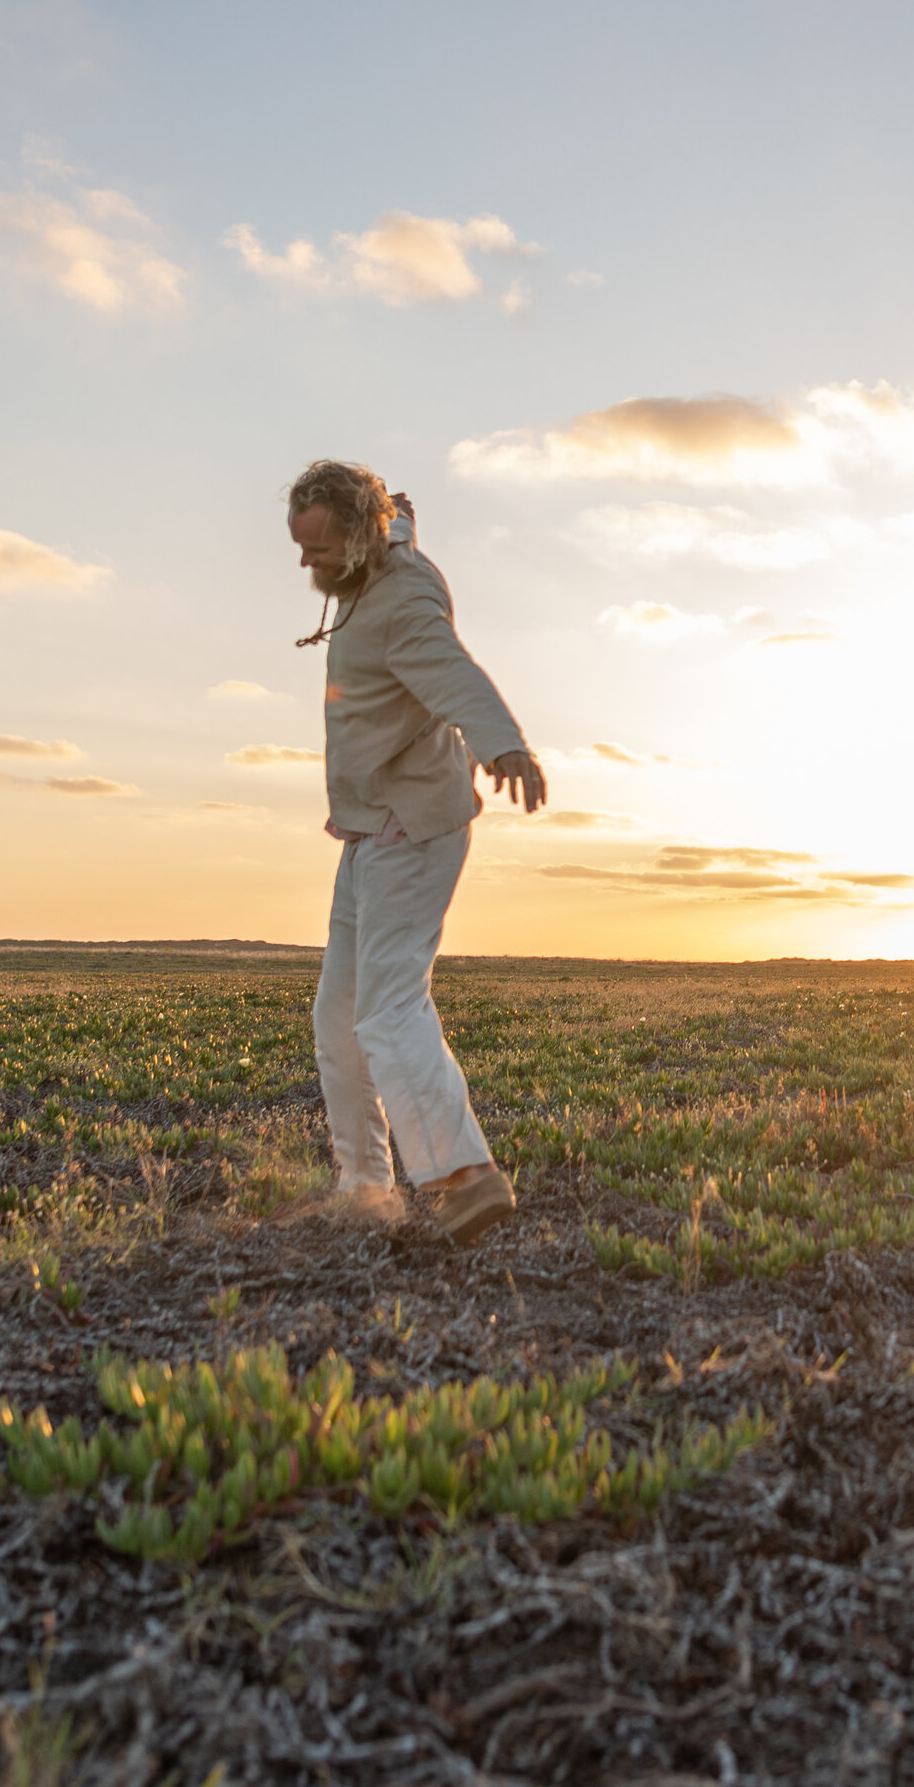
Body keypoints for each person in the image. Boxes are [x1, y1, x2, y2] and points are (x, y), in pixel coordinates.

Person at [286, 459, 544, 1245]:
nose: (308, 564)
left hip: (412, 825)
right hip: (368, 828)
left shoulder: (402, 604)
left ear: (361, 539)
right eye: (300, 548)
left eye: (321, 550)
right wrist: (391, 508)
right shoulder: (376, 552)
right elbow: (398, 515)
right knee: (339, 1018)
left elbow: (454, 673)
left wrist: (504, 746)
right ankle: (366, 1187)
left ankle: (467, 1177)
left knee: (389, 1007)